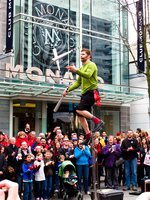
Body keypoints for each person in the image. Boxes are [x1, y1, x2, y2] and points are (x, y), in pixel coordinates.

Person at [63, 49, 104, 144]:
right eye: (80, 54)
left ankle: (98, 121)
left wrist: (76, 70)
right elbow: (78, 83)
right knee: (80, 115)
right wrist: (68, 89)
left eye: (83, 54)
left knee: (79, 109)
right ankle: (88, 136)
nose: (81, 56)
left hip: (92, 92)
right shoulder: (81, 68)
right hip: (85, 93)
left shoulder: (92, 65)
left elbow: (88, 75)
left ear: (89, 56)